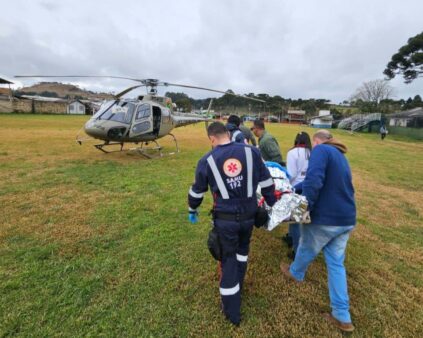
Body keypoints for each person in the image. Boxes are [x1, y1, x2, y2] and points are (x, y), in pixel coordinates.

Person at [187, 122, 277, 326]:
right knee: (242, 253)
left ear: (212, 139)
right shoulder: (252, 152)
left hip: (225, 221)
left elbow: (196, 191)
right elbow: (267, 182)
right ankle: (239, 285)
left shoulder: (207, 160)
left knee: (228, 261)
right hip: (249, 217)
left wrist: (192, 209)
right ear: (228, 134)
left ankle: (232, 312)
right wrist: (272, 204)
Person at [280, 130, 356, 333]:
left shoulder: (321, 150)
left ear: (316, 141)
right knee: (336, 263)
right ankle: (342, 315)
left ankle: (296, 273)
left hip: (327, 218)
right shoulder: (339, 155)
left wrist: (303, 208)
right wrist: (292, 190)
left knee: (306, 247)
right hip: (346, 219)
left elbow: (314, 182)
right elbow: (311, 182)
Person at [284, 132, 312, 258]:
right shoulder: (312, 152)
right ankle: (290, 237)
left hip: (296, 188)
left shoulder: (293, 152)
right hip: (308, 187)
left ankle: (296, 249)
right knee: (302, 218)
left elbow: (292, 173)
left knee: (295, 220)